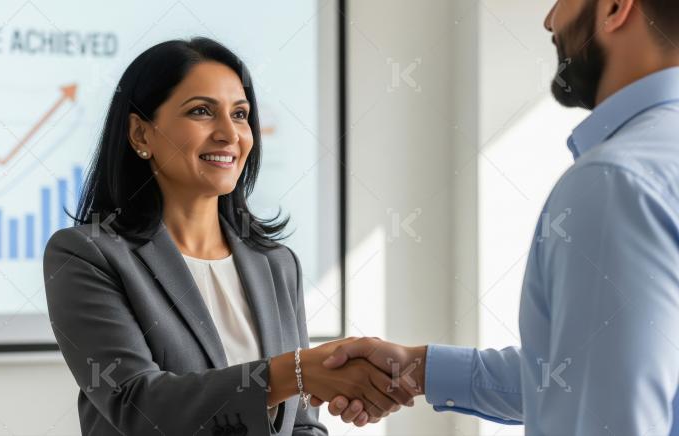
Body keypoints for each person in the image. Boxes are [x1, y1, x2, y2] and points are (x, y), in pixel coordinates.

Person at [317, 0, 679, 433]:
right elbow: (594, 377)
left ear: (616, 7)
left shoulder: (614, 182)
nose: (549, 20)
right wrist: (419, 369)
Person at [43, 37, 414, 435]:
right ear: (140, 134)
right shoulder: (86, 255)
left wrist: (319, 376)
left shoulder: (276, 264)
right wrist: (295, 372)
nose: (229, 134)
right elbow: (138, 407)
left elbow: (301, 425)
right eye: (201, 111)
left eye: (240, 114)